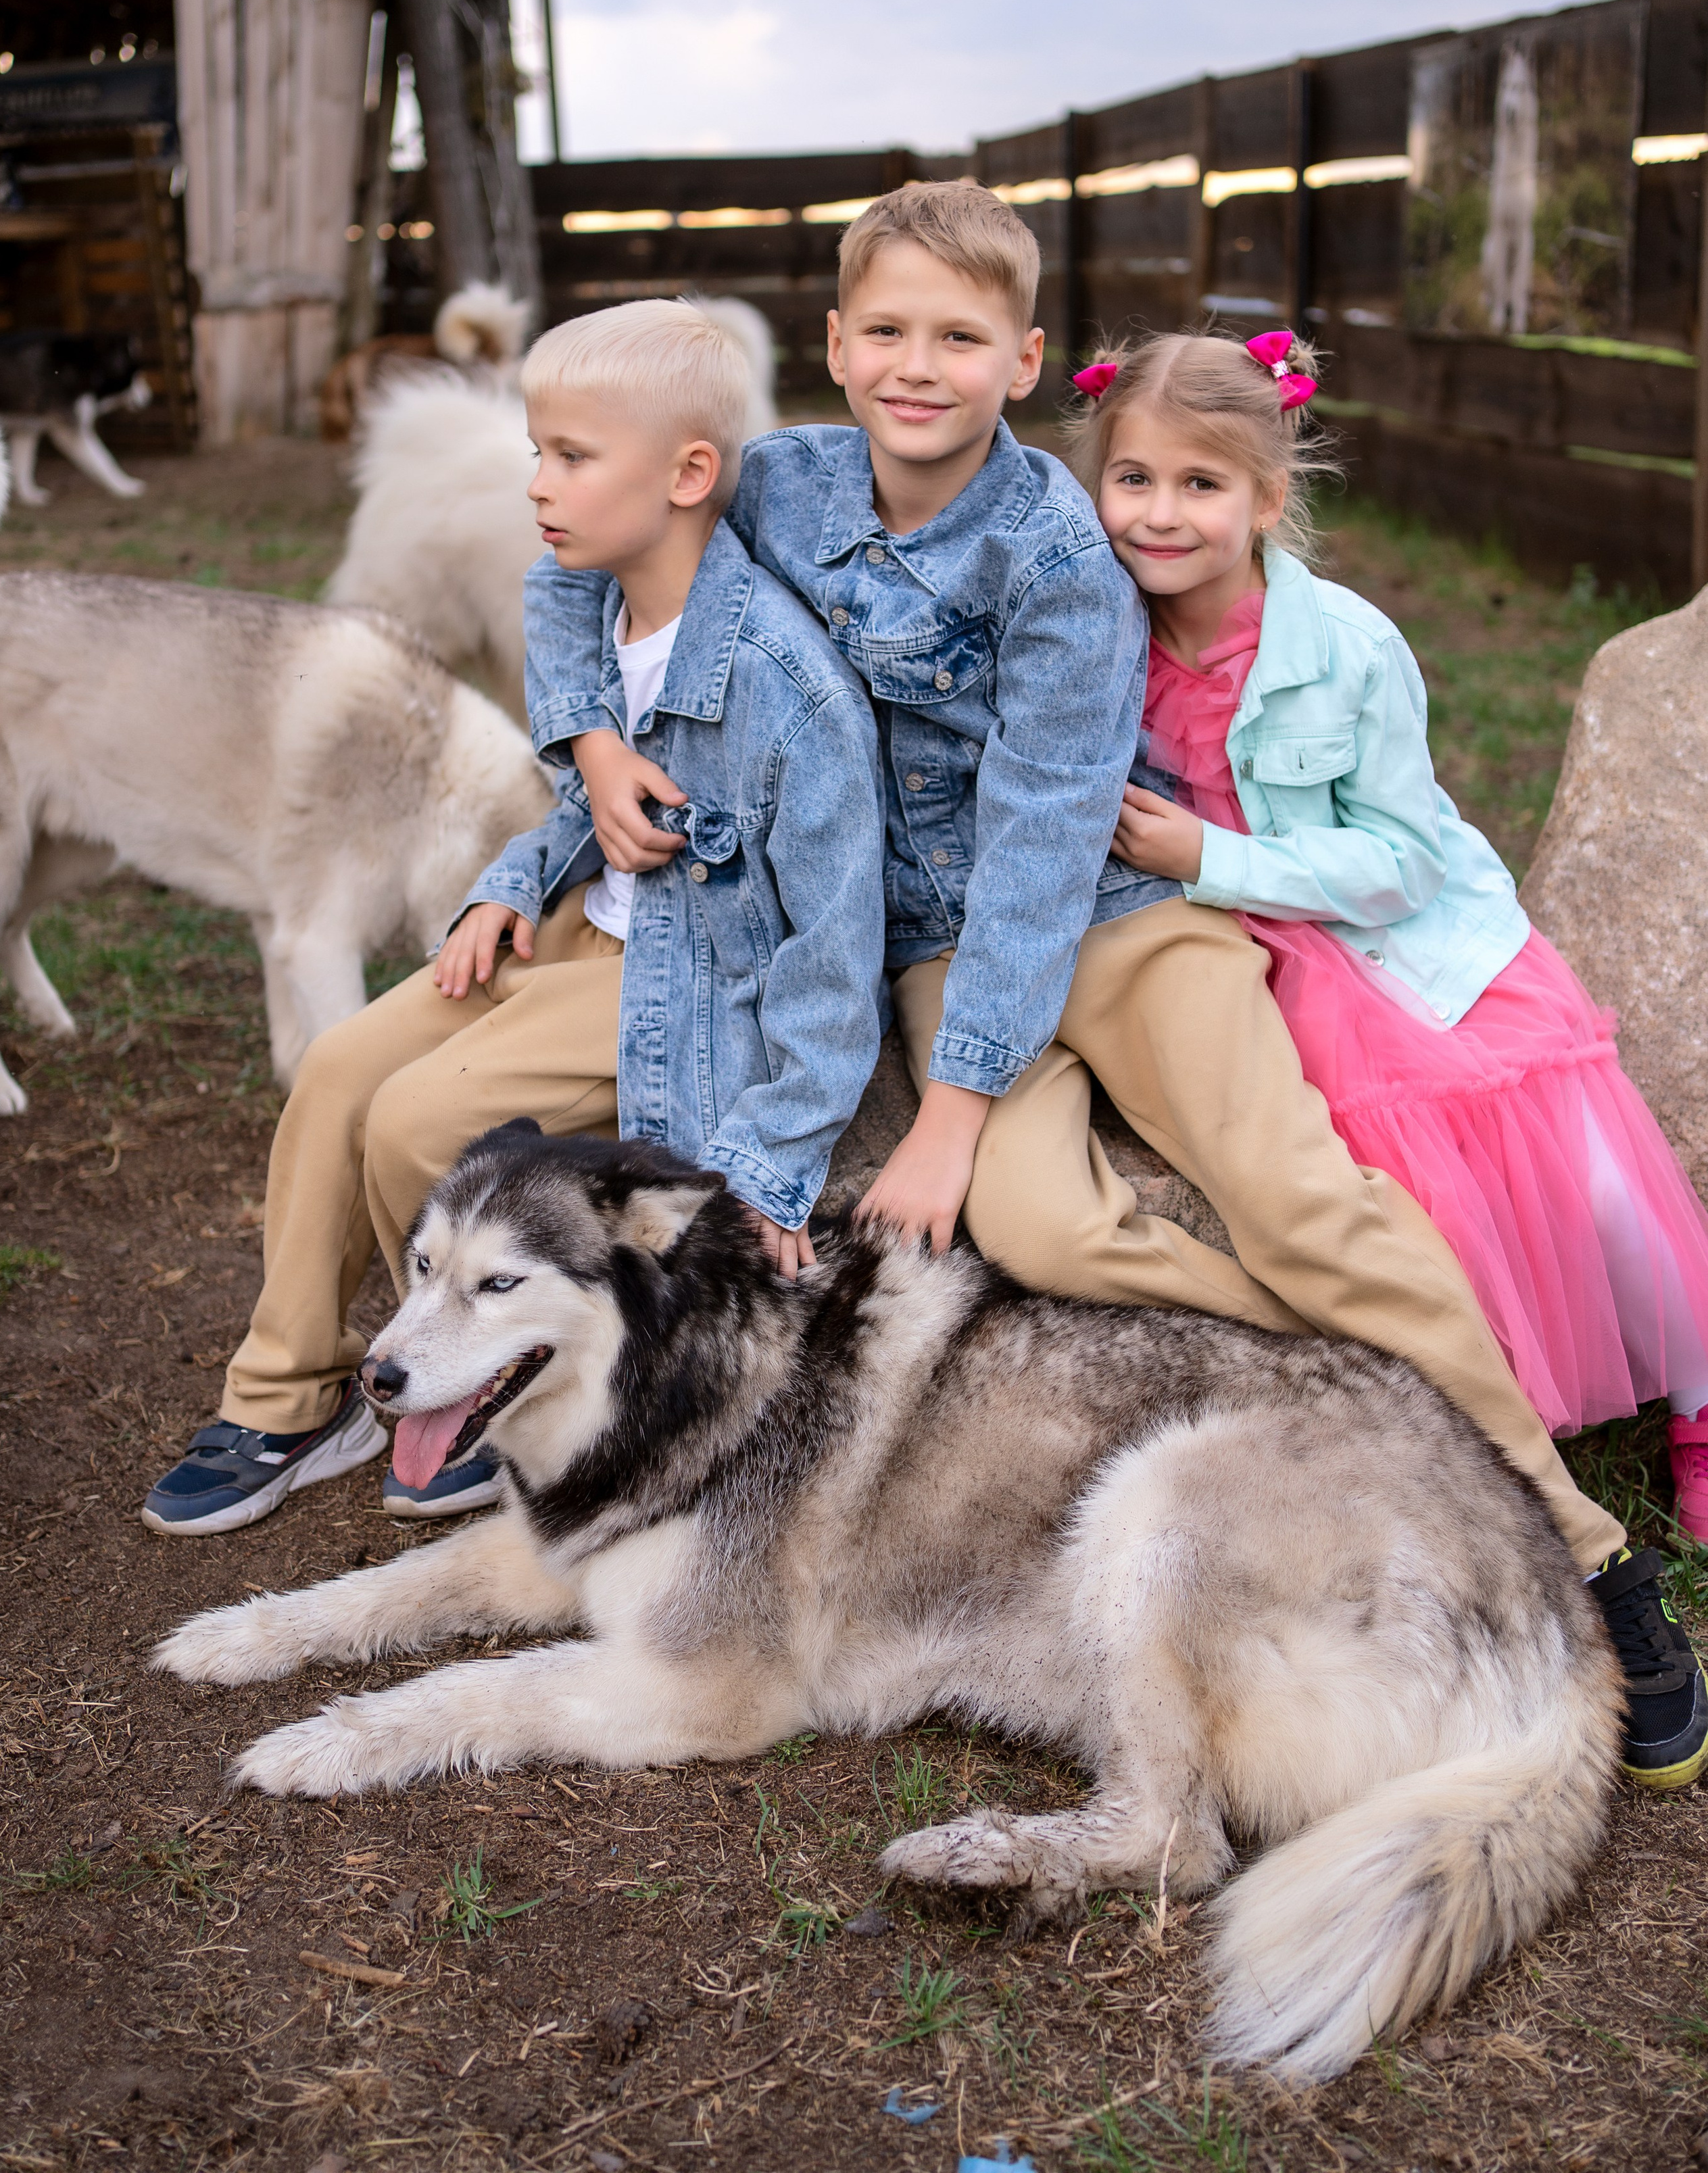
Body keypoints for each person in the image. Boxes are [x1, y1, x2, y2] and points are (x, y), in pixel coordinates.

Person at [520, 181, 1679, 1755]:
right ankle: (1336, 1365)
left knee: (1292, 1197)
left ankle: (1582, 1552)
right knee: (1042, 1226)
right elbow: (578, 557)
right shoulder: (777, 488)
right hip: (929, 948)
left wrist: (951, 1106)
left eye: (958, 335)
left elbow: (1047, 834)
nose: (917, 365)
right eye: (886, 331)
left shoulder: (1055, 552)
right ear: (836, 348)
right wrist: (587, 733)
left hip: (1110, 927)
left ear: (1021, 357)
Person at [1070, 319, 1707, 1788]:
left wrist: (1210, 853)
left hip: (1376, 941)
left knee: (1556, 1172)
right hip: (1229, 948)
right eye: (1133, 480)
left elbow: (1402, 857)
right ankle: (1471, 1445)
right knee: (1359, 1198)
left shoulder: (1342, 644)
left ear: (1264, 498)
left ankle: (1683, 1390)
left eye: (1199, 487)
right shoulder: (1092, 622)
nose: (1160, 516)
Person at [141, 299, 886, 1534]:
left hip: (690, 974)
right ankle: (290, 1392)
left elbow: (835, 950)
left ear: (690, 474)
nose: (537, 484)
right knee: (335, 1070)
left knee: (418, 1120)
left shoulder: (788, 691)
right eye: (538, 451)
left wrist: (776, 1164)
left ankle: (470, 1384)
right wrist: (510, 881)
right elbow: (585, 800)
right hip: (580, 924)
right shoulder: (592, 595)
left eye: (570, 458)